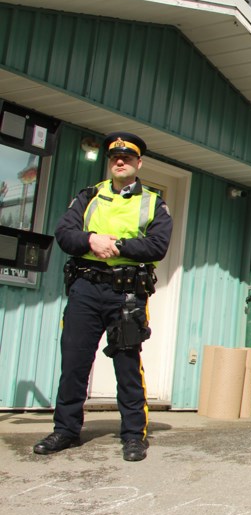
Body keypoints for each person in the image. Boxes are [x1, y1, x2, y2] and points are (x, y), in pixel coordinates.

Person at [33, 132, 172, 462]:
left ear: (139, 163)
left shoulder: (153, 202)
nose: (119, 161)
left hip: (126, 293)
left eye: (126, 157)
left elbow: (158, 245)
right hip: (85, 288)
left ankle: (133, 436)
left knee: (126, 365)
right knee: (74, 363)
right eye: (114, 157)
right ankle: (66, 430)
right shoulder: (88, 197)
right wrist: (91, 240)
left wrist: (119, 246)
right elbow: (65, 234)